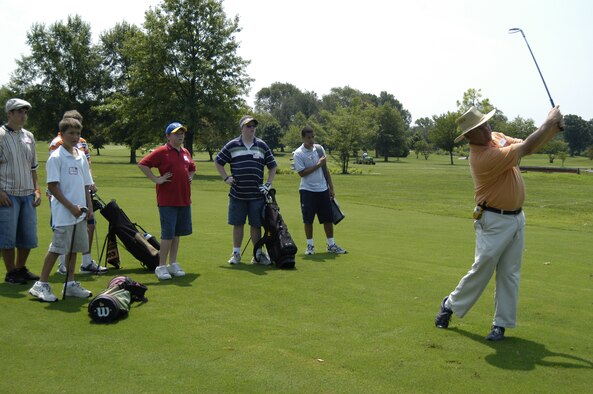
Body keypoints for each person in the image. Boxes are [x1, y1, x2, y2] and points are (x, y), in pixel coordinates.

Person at [435, 105, 564, 341]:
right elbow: (527, 147)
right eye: (478, 128)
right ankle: (449, 305)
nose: (486, 129)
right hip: (492, 220)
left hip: (516, 218)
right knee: (482, 268)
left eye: (485, 123)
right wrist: (549, 122)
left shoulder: (497, 138)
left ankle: (500, 325)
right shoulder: (482, 157)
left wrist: (551, 130)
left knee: (509, 274)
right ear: (468, 137)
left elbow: (527, 145)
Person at [28, 117, 94, 301]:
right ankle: (41, 285)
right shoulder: (56, 157)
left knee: (74, 248)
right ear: (62, 135)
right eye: (71, 133)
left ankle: (70, 284)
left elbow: (86, 185)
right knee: (58, 248)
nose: (75, 137)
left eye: (78, 133)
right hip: (64, 213)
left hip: (79, 213)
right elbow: (53, 187)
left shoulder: (80, 155)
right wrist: (71, 207)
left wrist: (88, 206)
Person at [49, 110, 107, 275]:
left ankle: (85, 262)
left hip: (81, 193)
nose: (75, 134)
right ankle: (62, 266)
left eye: (78, 128)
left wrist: (89, 184)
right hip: (63, 196)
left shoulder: (82, 144)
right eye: (71, 128)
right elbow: (56, 178)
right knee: (63, 234)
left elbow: (85, 165)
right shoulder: (56, 146)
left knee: (87, 227)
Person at [215, 116, 277, 265]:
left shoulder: (261, 145)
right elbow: (218, 161)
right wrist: (226, 178)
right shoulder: (232, 145)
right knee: (238, 224)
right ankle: (236, 254)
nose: (251, 128)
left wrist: (268, 183)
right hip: (238, 194)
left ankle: (257, 255)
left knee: (256, 225)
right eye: (248, 126)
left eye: (253, 126)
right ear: (242, 128)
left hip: (257, 195)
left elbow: (272, 165)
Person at [138, 122, 196, 280]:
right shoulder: (162, 151)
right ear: (168, 136)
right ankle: (161, 266)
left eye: (182, 133)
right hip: (167, 200)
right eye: (176, 133)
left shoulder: (185, 152)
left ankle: (173, 263)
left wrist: (189, 177)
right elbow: (143, 164)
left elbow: (192, 167)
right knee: (167, 234)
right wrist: (157, 179)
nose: (180, 136)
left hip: (184, 199)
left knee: (177, 234)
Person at [0, 98, 41, 284]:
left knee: (28, 236)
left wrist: (37, 189)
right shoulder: (0, 135)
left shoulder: (29, 136)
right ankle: (11, 273)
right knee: (7, 237)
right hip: (7, 192)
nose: (23, 115)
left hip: (27, 193)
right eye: (19, 112)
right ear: (9, 113)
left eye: (25, 112)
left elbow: (33, 168)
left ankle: (20, 268)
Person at [292, 126, 347, 255]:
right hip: (307, 190)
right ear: (303, 138)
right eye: (308, 138)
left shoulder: (319, 149)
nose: (311, 140)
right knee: (308, 220)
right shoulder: (298, 153)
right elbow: (302, 173)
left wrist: (331, 187)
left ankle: (331, 245)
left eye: (312, 137)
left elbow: (325, 170)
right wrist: (318, 164)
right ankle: (310, 246)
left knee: (328, 219)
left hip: (323, 190)